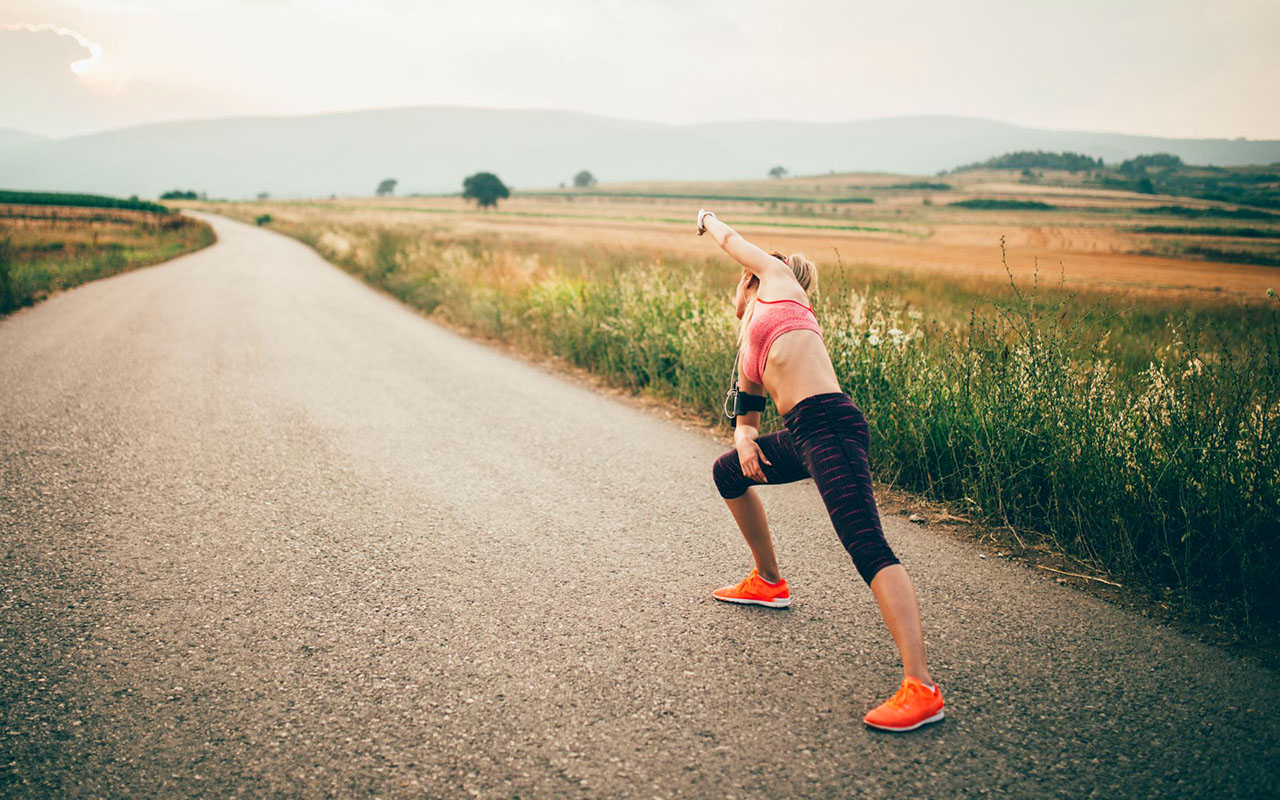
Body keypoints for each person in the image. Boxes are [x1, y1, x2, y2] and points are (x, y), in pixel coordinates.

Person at [697, 208, 945, 733]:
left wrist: (707, 219)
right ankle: (767, 582)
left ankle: (921, 687)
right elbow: (746, 419)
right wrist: (744, 443)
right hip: (804, 434)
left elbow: (731, 240)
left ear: (751, 278)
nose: (734, 292)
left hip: (830, 424)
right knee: (727, 473)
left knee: (865, 544)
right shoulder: (749, 351)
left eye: (738, 282)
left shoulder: (779, 283)